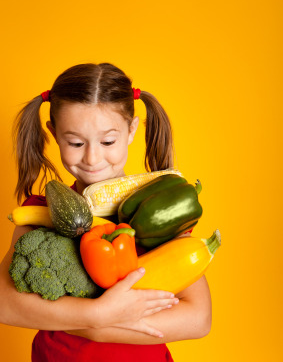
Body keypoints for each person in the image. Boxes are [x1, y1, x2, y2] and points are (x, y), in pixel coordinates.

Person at [0, 63, 212, 362]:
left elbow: (198, 319)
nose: (92, 157)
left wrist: (96, 327)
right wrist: (97, 314)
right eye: (75, 142)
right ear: (54, 134)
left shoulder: (159, 211)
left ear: (131, 131)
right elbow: (5, 304)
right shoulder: (38, 213)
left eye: (108, 141)